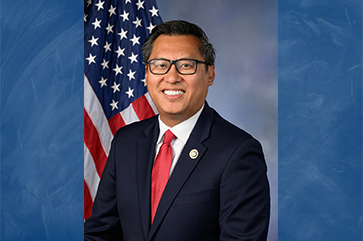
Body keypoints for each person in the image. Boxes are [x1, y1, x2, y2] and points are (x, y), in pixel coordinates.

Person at [84, 20, 270, 241]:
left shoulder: (239, 152)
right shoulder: (126, 141)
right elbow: (100, 233)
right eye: (160, 65)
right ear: (146, 73)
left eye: (186, 65)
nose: (171, 77)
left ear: (210, 74)